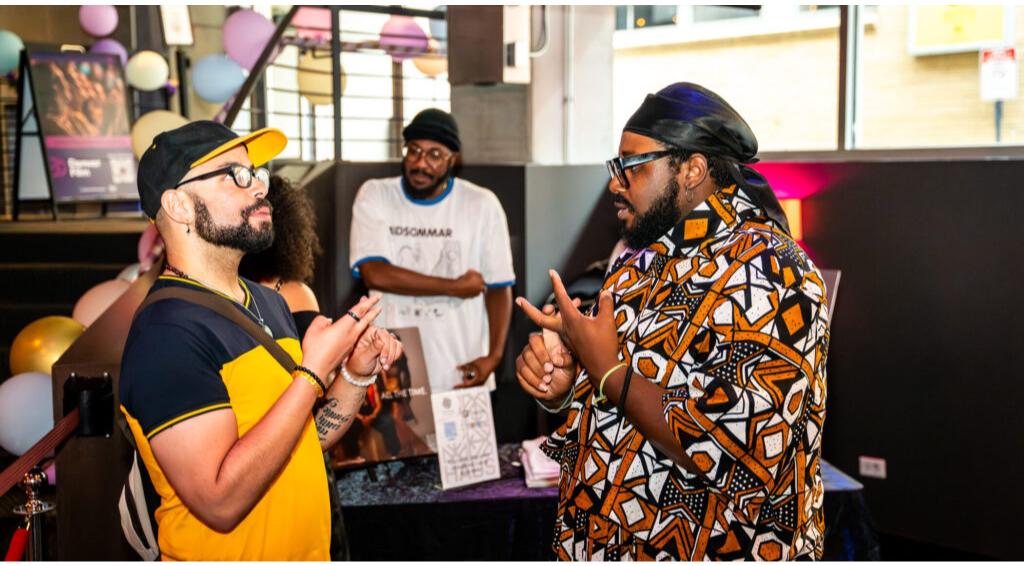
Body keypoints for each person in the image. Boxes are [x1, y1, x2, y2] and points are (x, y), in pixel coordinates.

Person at [514, 83, 830, 560]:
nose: (615, 183)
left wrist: (609, 373)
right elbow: (625, 397)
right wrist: (567, 387)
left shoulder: (772, 271)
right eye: (615, 166)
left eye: (631, 166)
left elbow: (740, 444)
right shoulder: (639, 263)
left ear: (692, 169)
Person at [119, 121, 402, 561]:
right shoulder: (166, 334)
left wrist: (354, 373)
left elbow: (301, 439)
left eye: (256, 174)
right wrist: (311, 372)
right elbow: (219, 502)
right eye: (234, 174)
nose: (257, 188)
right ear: (178, 205)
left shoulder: (269, 302)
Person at [349, 108, 515, 392]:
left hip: (463, 368)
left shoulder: (481, 204)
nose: (420, 163)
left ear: (453, 159)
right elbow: (375, 274)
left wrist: (495, 357)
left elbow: (499, 287)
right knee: (396, 437)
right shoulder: (375, 194)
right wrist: (454, 286)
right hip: (395, 366)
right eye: (413, 151)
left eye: (435, 155)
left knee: (465, 439)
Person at [237, 174, 348, 560]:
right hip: (271, 470)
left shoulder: (294, 295)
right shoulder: (295, 293)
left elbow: (317, 395)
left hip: (285, 464)